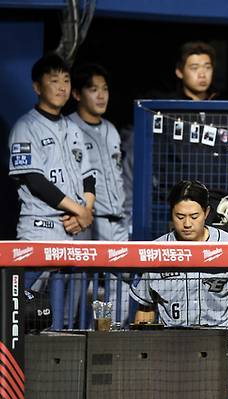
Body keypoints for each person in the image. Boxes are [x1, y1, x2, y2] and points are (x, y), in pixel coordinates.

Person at [129, 180, 228, 399]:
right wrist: (142, 354)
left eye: (194, 216)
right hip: (174, 347)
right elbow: (145, 308)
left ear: (206, 213)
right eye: (179, 216)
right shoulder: (156, 251)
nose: (186, 224)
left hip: (226, 346)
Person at [68, 62, 131, 323]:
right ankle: (61, 334)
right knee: (74, 282)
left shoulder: (111, 129)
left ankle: (113, 337)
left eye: (104, 89)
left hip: (117, 222)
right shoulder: (67, 128)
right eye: (93, 89)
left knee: (124, 284)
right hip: (86, 223)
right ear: (77, 94)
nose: (101, 95)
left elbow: (119, 177)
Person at [9, 53, 95, 241]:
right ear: (37, 87)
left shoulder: (73, 128)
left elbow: (88, 177)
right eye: (54, 81)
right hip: (40, 228)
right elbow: (35, 180)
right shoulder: (25, 127)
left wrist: (85, 213)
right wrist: (81, 211)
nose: (62, 87)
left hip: (74, 228)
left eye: (66, 80)